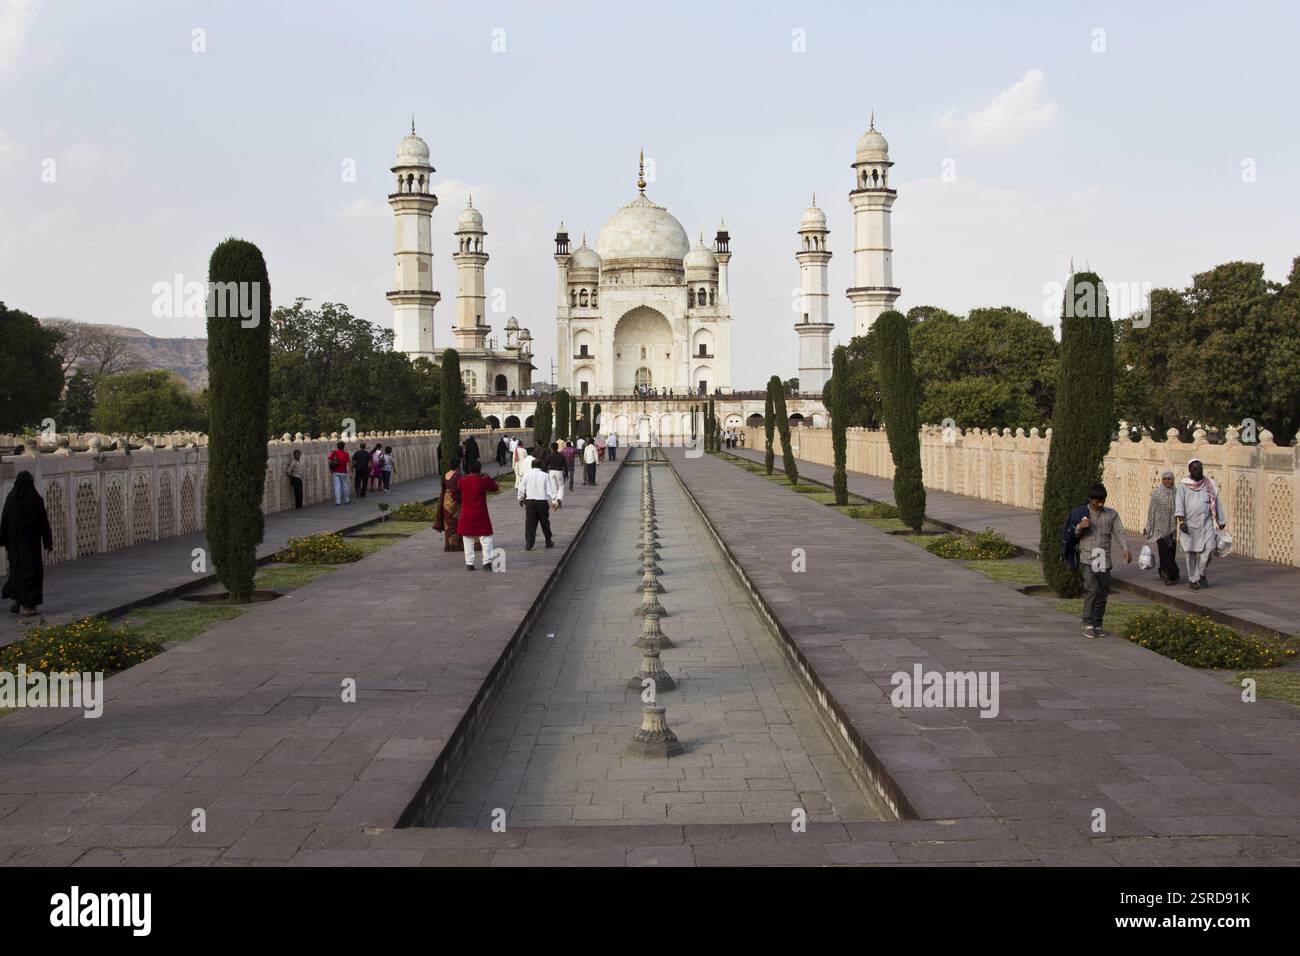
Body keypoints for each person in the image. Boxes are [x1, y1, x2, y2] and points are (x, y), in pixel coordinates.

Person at [1061, 482, 1132, 639]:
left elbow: (1119, 531)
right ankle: (1087, 623)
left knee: (1102, 592)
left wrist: (1125, 548)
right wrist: (1080, 526)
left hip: (1104, 559)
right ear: (1090, 499)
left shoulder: (1111, 514)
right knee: (1092, 589)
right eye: (1096, 502)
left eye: (1103, 501)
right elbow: (1073, 534)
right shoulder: (1081, 514)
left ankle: (1098, 623)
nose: (1100, 504)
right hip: (1087, 558)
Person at [1, 471, 54, 617]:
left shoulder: (11, 498)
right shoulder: (35, 499)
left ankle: (18, 600)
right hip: (30, 544)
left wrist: (3, 540)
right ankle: (29, 607)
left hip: (14, 545)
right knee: (31, 573)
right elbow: (43, 523)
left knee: (16, 571)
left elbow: (4, 520)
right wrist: (48, 542)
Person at [1176, 458, 1226, 591]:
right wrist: (1181, 521)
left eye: (1200, 468)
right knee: (1191, 554)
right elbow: (1179, 504)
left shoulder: (1209, 484)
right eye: (1195, 468)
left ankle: (1201, 573)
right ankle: (1193, 579)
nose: (1198, 471)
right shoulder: (1183, 485)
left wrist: (1221, 521)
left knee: (1210, 548)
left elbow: (1217, 501)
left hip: (1206, 522)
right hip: (1189, 524)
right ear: (1190, 470)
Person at [457, 461, 498, 570]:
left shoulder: (463, 480)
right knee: (486, 539)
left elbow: (457, 489)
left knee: (467, 539)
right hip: (480, 513)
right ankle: (487, 563)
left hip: (466, 514)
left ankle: (469, 563)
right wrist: (487, 477)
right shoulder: (483, 481)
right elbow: (495, 488)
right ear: (479, 470)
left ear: (469, 470)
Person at [1143, 469, 1179, 585]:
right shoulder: (1157, 493)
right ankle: (1169, 575)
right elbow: (1151, 511)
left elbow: (1180, 510)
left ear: (1173, 480)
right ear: (1161, 480)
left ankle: (1163, 570)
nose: (1167, 481)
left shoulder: (1176, 493)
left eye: (1169, 479)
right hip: (1160, 529)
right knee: (1164, 553)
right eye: (1165, 479)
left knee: (1171, 552)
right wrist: (1148, 527)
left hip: (1172, 529)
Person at [517, 457, 556, 550]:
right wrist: (553, 501)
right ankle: (548, 541)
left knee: (530, 524)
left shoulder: (527, 475)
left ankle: (529, 544)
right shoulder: (545, 475)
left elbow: (521, 488)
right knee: (545, 523)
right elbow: (550, 490)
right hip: (542, 503)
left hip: (530, 503)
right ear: (540, 466)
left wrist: (520, 498)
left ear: (531, 466)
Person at [431, 461, 463, 552]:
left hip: (446, 500)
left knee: (448, 523)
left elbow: (443, 487)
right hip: (455, 501)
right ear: (457, 465)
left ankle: (449, 544)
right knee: (456, 522)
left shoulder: (446, 474)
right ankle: (456, 544)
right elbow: (459, 487)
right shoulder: (458, 474)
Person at [328, 441, 351, 505]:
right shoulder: (346, 454)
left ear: (337, 447)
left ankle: (337, 501)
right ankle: (346, 500)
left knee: (337, 486)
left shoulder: (334, 453)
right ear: (344, 447)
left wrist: (331, 467)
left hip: (335, 472)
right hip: (344, 472)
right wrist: (350, 471)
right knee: (345, 486)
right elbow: (348, 463)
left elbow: (329, 460)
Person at [545, 441, 566, 508]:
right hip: (559, 471)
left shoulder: (549, 456)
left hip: (551, 472)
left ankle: (554, 502)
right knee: (561, 486)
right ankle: (559, 499)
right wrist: (566, 472)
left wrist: (544, 472)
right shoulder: (561, 455)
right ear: (557, 447)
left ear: (551, 448)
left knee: (553, 487)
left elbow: (546, 464)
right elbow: (565, 464)